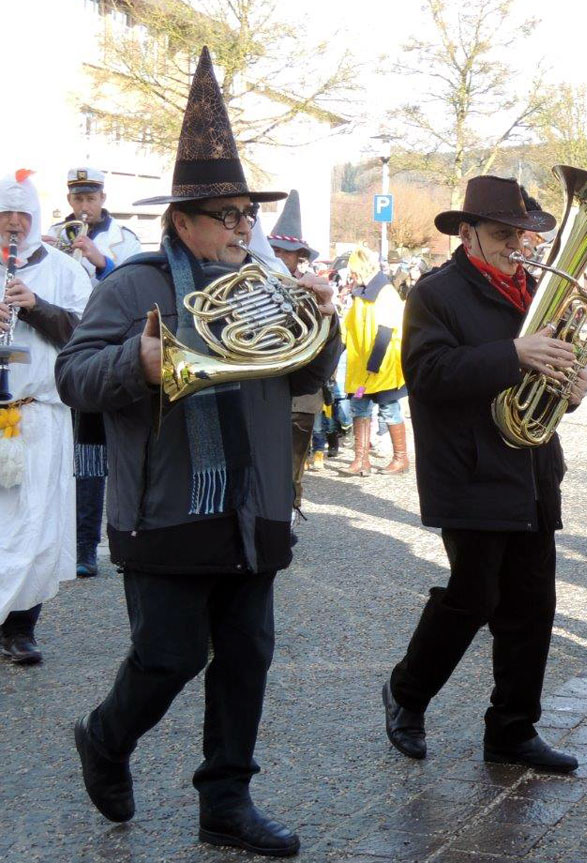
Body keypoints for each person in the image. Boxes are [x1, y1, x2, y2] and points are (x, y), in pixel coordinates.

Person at [56, 48, 340, 857]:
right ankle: (106, 738)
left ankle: (226, 799)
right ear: (182, 220)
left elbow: (303, 375)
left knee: (247, 653)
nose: (242, 228)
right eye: (227, 215)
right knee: (170, 654)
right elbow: (75, 374)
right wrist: (137, 364)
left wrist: (325, 322)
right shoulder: (133, 285)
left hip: (252, 503)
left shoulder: (267, 284)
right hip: (165, 502)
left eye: (247, 215)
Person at [381, 174, 587, 773]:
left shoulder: (540, 292)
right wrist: (513, 354)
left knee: (533, 604)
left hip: (530, 465)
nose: (517, 245)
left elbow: (553, 373)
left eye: (522, 234)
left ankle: (512, 731)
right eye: (503, 234)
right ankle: (407, 691)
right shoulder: (435, 293)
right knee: (474, 597)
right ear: (468, 233)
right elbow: (428, 375)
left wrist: (570, 389)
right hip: (469, 468)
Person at [0, 170, 92, 665]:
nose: (13, 224)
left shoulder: (62, 269)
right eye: (5, 214)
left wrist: (35, 307)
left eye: (22, 215)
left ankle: (19, 629)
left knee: (35, 522)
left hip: (38, 416)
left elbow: (88, 333)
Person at [46, 169, 141, 578]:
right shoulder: (52, 233)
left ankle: (88, 546)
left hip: (105, 349)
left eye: (90, 198)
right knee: (57, 456)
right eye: (77, 198)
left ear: (103, 197)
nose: (83, 206)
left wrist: (101, 260)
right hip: (59, 345)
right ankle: (59, 543)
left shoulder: (125, 238)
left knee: (92, 456)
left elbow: (139, 287)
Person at [267, 190, 329, 534]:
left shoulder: (311, 292)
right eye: (272, 250)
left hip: (300, 396)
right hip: (264, 389)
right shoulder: (256, 285)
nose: (276, 257)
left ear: (298, 257)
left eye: (283, 253)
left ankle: (286, 518)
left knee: (290, 466)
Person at [341, 246, 409, 476]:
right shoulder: (360, 293)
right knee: (359, 407)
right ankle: (361, 460)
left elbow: (386, 330)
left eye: (352, 271)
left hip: (382, 365)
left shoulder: (385, 293)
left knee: (389, 410)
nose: (350, 276)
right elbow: (348, 328)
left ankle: (401, 459)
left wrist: (374, 363)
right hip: (363, 366)